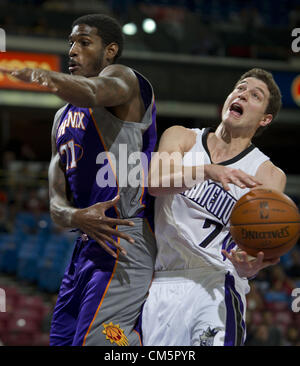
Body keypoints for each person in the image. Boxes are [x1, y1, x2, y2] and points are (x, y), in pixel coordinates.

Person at [1, 14, 157, 346]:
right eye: (70, 42)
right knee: (62, 341)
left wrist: (47, 77)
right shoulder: (61, 118)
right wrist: (75, 216)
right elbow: (56, 201)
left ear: (110, 50)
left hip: (124, 238)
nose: (72, 50)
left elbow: (94, 89)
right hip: (85, 243)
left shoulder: (124, 80)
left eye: (84, 43)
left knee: (104, 345)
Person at [142, 68, 286, 346]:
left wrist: (249, 266)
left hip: (217, 284)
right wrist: (207, 171)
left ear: (265, 119)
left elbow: (254, 248)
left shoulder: (268, 174)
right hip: (162, 283)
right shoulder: (182, 137)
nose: (243, 94)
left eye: (255, 95)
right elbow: (155, 182)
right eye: (240, 88)